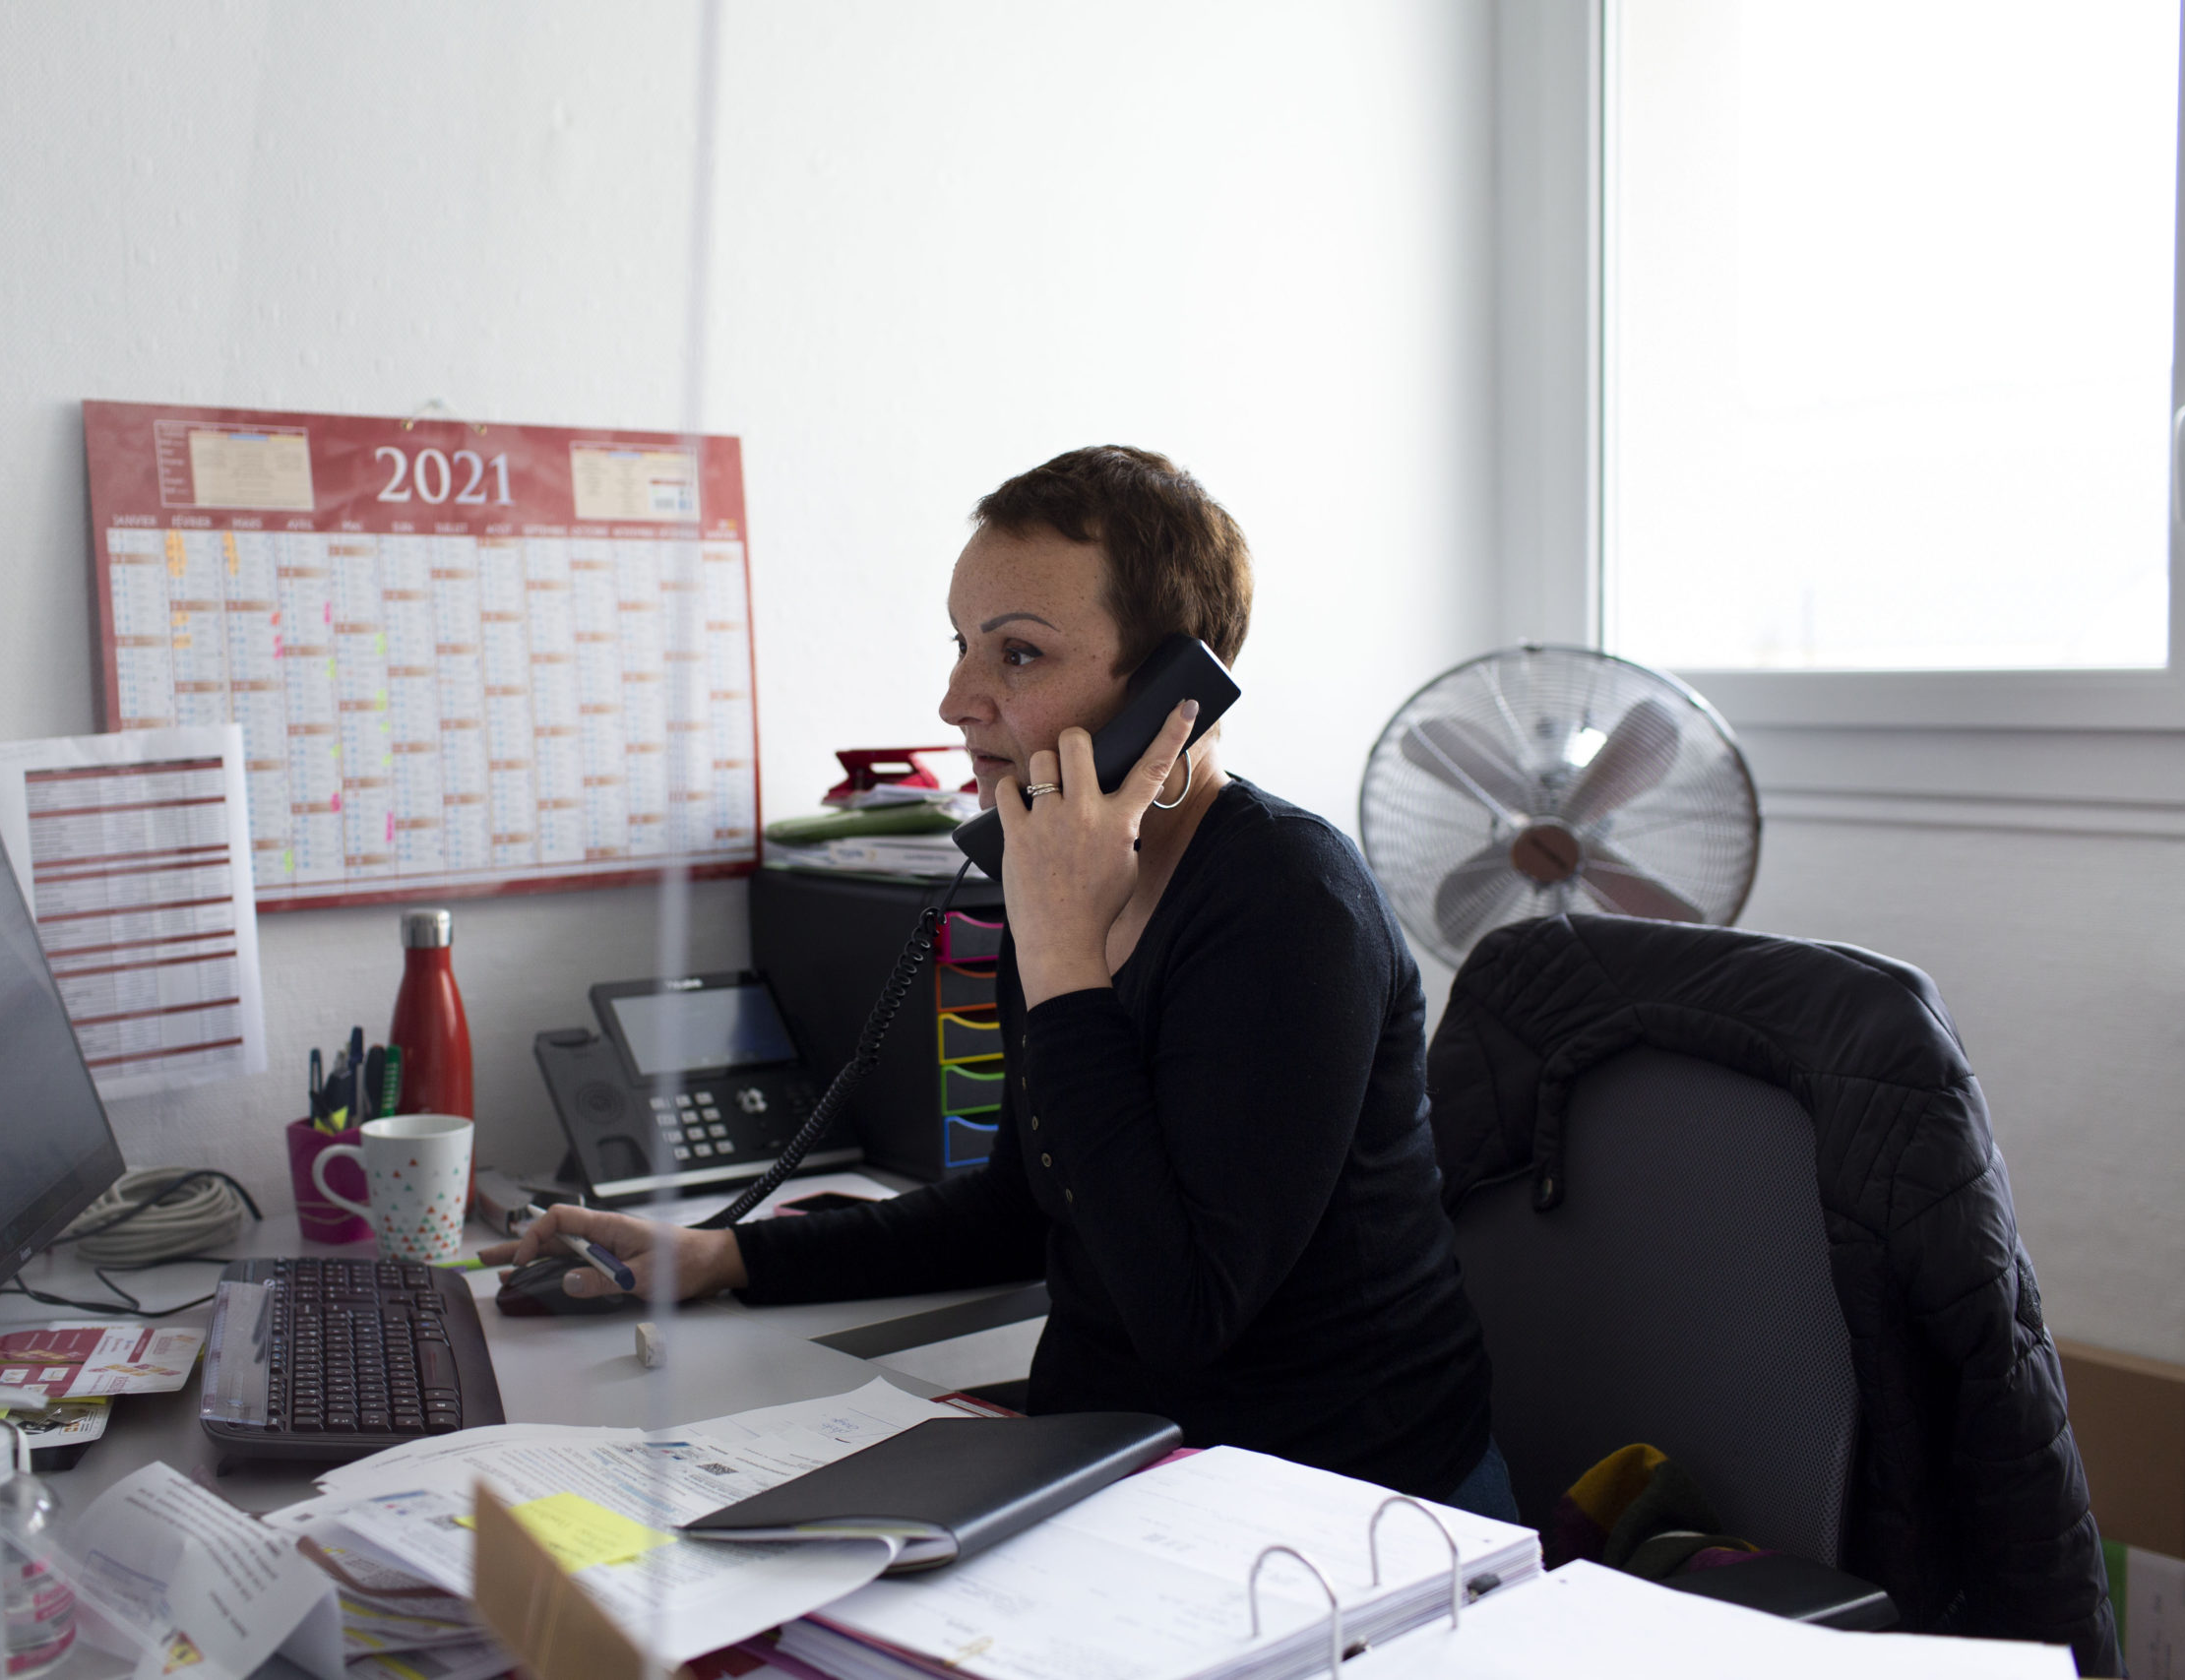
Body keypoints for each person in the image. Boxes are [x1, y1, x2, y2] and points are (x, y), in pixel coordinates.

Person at [492, 446, 1508, 1515]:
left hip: (1333, 1507)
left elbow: (1185, 1308)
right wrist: (716, 1256)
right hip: (1117, 1466)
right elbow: (1025, 1209)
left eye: (1018, 655)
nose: (956, 700)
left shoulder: (1290, 903)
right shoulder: (1058, 869)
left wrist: (1066, 957)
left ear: (1175, 696)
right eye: (963, 645)